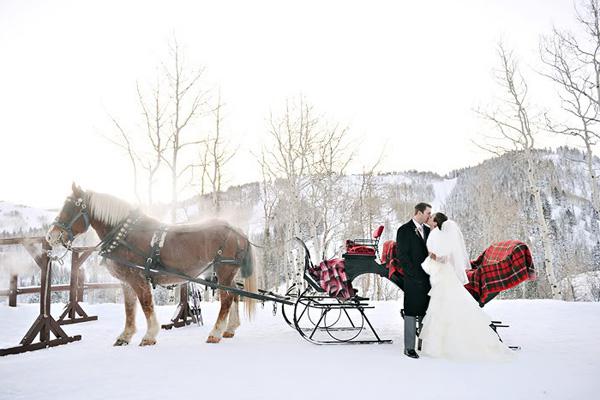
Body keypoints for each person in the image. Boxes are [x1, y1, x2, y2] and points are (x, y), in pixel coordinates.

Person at [419, 212, 514, 361]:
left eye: (431, 218)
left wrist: (434, 257)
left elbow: (448, 257)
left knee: (447, 306)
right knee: (442, 306)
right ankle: (442, 344)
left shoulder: (444, 236)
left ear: (436, 222)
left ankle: (453, 344)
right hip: (439, 275)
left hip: (446, 275)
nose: (429, 219)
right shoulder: (435, 233)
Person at [396, 202, 432, 359]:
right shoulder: (403, 230)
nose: (429, 216)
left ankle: (423, 344)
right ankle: (409, 348)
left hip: (429, 279)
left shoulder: (429, 230)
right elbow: (402, 256)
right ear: (419, 212)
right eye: (427, 213)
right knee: (411, 312)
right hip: (412, 279)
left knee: (426, 312)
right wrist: (413, 275)